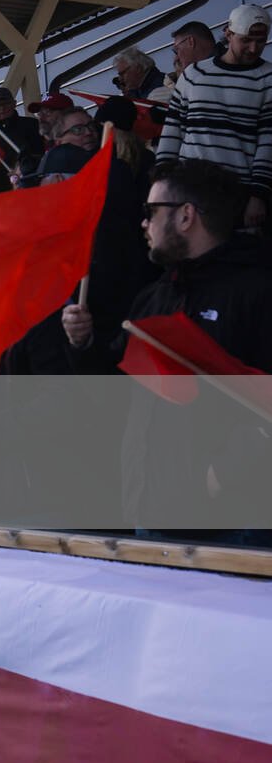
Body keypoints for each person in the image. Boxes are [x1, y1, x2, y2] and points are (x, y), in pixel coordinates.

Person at [62, 160, 272, 522]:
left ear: (186, 215)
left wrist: (223, 474)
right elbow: (114, 390)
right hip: (147, 510)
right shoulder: (153, 297)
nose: (144, 223)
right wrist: (83, 344)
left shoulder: (256, 294)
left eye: (151, 211)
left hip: (230, 528)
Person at [155, 3, 272, 228]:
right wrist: (162, 184)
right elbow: (173, 132)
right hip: (191, 189)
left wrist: (258, 196)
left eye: (261, 41)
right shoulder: (193, 74)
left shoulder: (267, 79)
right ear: (228, 34)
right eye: (246, 40)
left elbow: (268, 142)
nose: (253, 48)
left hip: (239, 193)